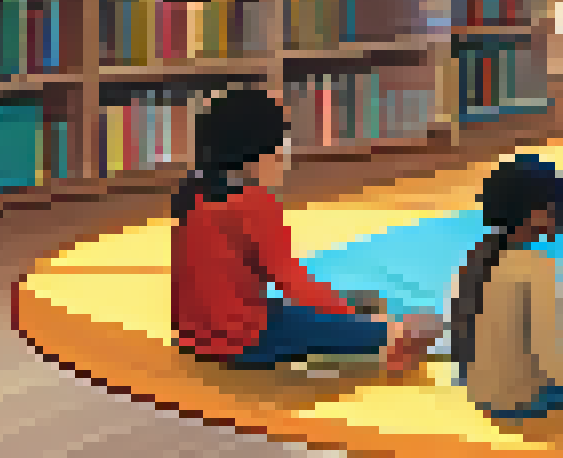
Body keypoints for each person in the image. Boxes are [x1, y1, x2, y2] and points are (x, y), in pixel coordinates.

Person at [172, 89, 441, 370]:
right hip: (243, 342)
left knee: (304, 311)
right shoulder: (253, 203)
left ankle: (363, 320)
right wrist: (349, 316)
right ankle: (392, 337)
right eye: (281, 146)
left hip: (193, 337)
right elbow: (291, 281)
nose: (284, 157)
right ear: (256, 152)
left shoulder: (190, 192)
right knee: (406, 324)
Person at [449, 154, 563, 421]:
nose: (558, 214)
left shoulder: (475, 255)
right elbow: (547, 355)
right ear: (535, 213)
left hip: (475, 385)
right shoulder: (536, 267)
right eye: (553, 206)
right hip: (515, 399)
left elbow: (460, 330)